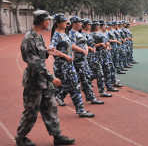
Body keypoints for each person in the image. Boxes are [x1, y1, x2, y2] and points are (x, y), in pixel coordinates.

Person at [16, 10, 75, 146]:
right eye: (48, 20)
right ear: (44, 21)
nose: (49, 22)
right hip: (34, 81)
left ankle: (57, 136)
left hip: (43, 80)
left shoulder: (39, 36)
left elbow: (39, 54)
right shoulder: (29, 39)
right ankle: (21, 137)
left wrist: (46, 51)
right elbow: (34, 62)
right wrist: (51, 78)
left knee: (51, 108)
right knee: (31, 111)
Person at [50, 14, 96, 117]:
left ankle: (80, 110)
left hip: (69, 65)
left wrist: (70, 54)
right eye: (64, 21)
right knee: (58, 86)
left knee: (75, 86)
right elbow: (52, 49)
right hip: (61, 66)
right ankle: (43, 103)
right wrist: (66, 56)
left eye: (67, 21)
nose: (67, 23)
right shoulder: (57, 35)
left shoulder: (64, 34)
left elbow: (69, 46)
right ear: (58, 23)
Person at [68, 16, 104, 104]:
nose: (81, 24)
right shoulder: (72, 33)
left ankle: (60, 95)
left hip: (83, 59)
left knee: (81, 79)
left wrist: (87, 49)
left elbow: (84, 44)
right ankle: (91, 98)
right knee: (84, 79)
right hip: (78, 60)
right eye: (79, 23)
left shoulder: (78, 33)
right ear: (74, 23)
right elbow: (71, 45)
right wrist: (83, 50)